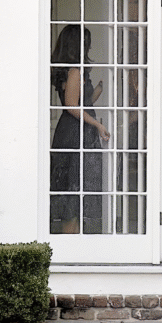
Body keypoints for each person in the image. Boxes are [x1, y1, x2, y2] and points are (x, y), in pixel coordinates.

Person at [50, 25, 110, 234]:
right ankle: (71, 242)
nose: (89, 47)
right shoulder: (74, 71)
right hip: (75, 133)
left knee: (74, 189)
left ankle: (74, 240)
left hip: (73, 130)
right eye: (86, 43)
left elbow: (82, 102)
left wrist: (99, 90)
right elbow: (72, 106)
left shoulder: (74, 70)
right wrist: (97, 124)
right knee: (72, 189)